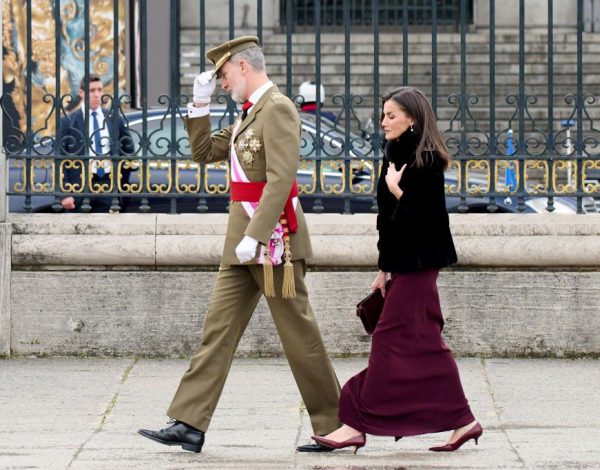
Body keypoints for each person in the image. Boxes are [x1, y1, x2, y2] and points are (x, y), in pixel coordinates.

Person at [138, 36, 341, 454]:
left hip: (273, 241)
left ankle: (337, 424)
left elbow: (281, 180)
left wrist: (256, 235)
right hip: (243, 243)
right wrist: (199, 106)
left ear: (244, 67)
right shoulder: (250, 114)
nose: (223, 83)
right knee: (218, 330)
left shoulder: (278, 109)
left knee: (298, 335)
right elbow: (203, 151)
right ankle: (190, 422)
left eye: (225, 75)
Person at [307, 87, 482, 454]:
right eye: (383, 114)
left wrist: (397, 190)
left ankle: (355, 424)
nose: (384, 121)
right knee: (427, 344)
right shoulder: (393, 153)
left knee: (388, 339)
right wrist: (384, 269)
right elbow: (387, 223)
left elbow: (429, 219)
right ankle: (464, 420)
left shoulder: (428, 159)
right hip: (402, 264)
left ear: (412, 119)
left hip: (421, 264)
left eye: (391, 115)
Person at [58, 75, 134, 212]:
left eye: (100, 90)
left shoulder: (113, 117)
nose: (97, 94)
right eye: (92, 90)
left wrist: (120, 182)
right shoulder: (68, 121)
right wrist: (64, 194)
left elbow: (128, 149)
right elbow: (60, 158)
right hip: (79, 187)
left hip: (108, 184)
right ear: (81, 93)